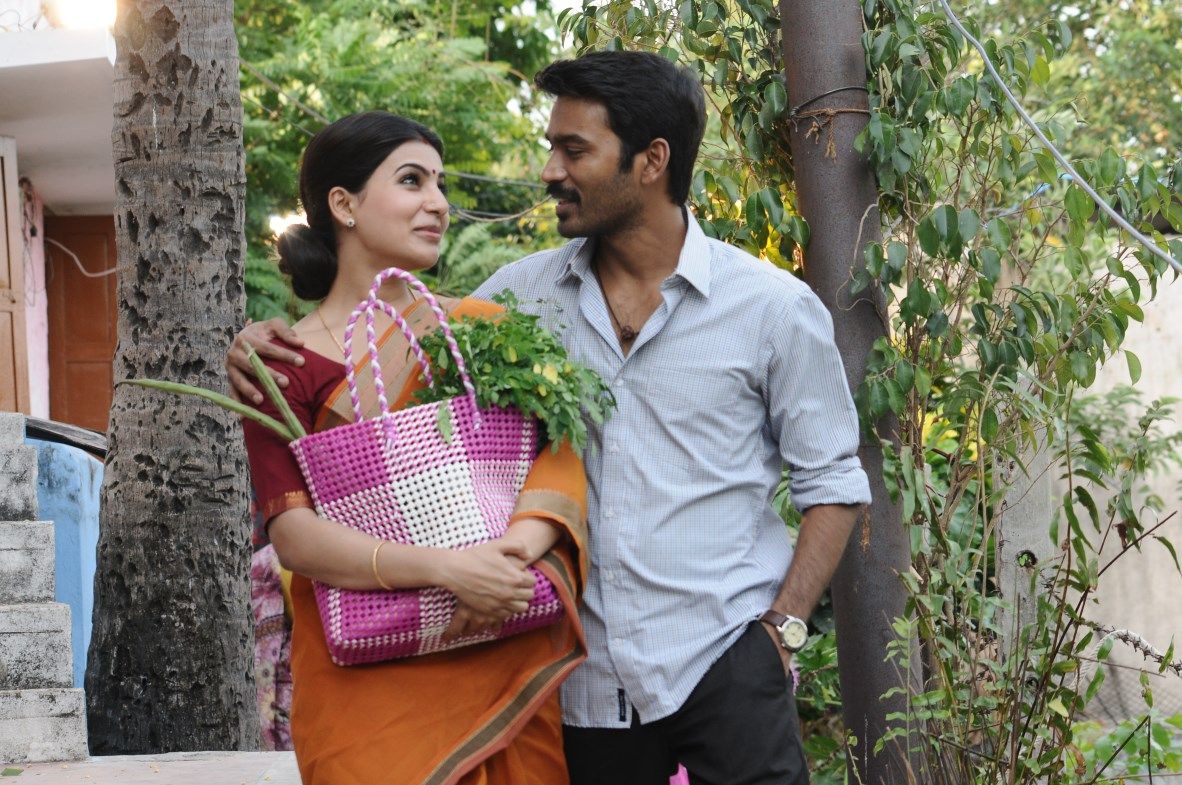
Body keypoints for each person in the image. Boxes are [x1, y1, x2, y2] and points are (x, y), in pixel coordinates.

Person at [230, 53, 870, 785]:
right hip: (574, 681)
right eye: (550, 147)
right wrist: (259, 343)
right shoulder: (514, 302)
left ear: (651, 161)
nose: (548, 171)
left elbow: (834, 481)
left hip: (723, 661)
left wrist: (781, 632)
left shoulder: (771, 308)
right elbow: (394, 359)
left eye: (573, 150)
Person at [238, 111, 588, 785]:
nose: (438, 203)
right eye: (411, 181)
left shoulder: (482, 331)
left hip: (499, 650)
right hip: (363, 695)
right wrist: (452, 571)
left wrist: (503, 563)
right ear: (343, 204)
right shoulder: (282, 367)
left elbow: (560, 451)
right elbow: (295, 536)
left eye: (439, 183)